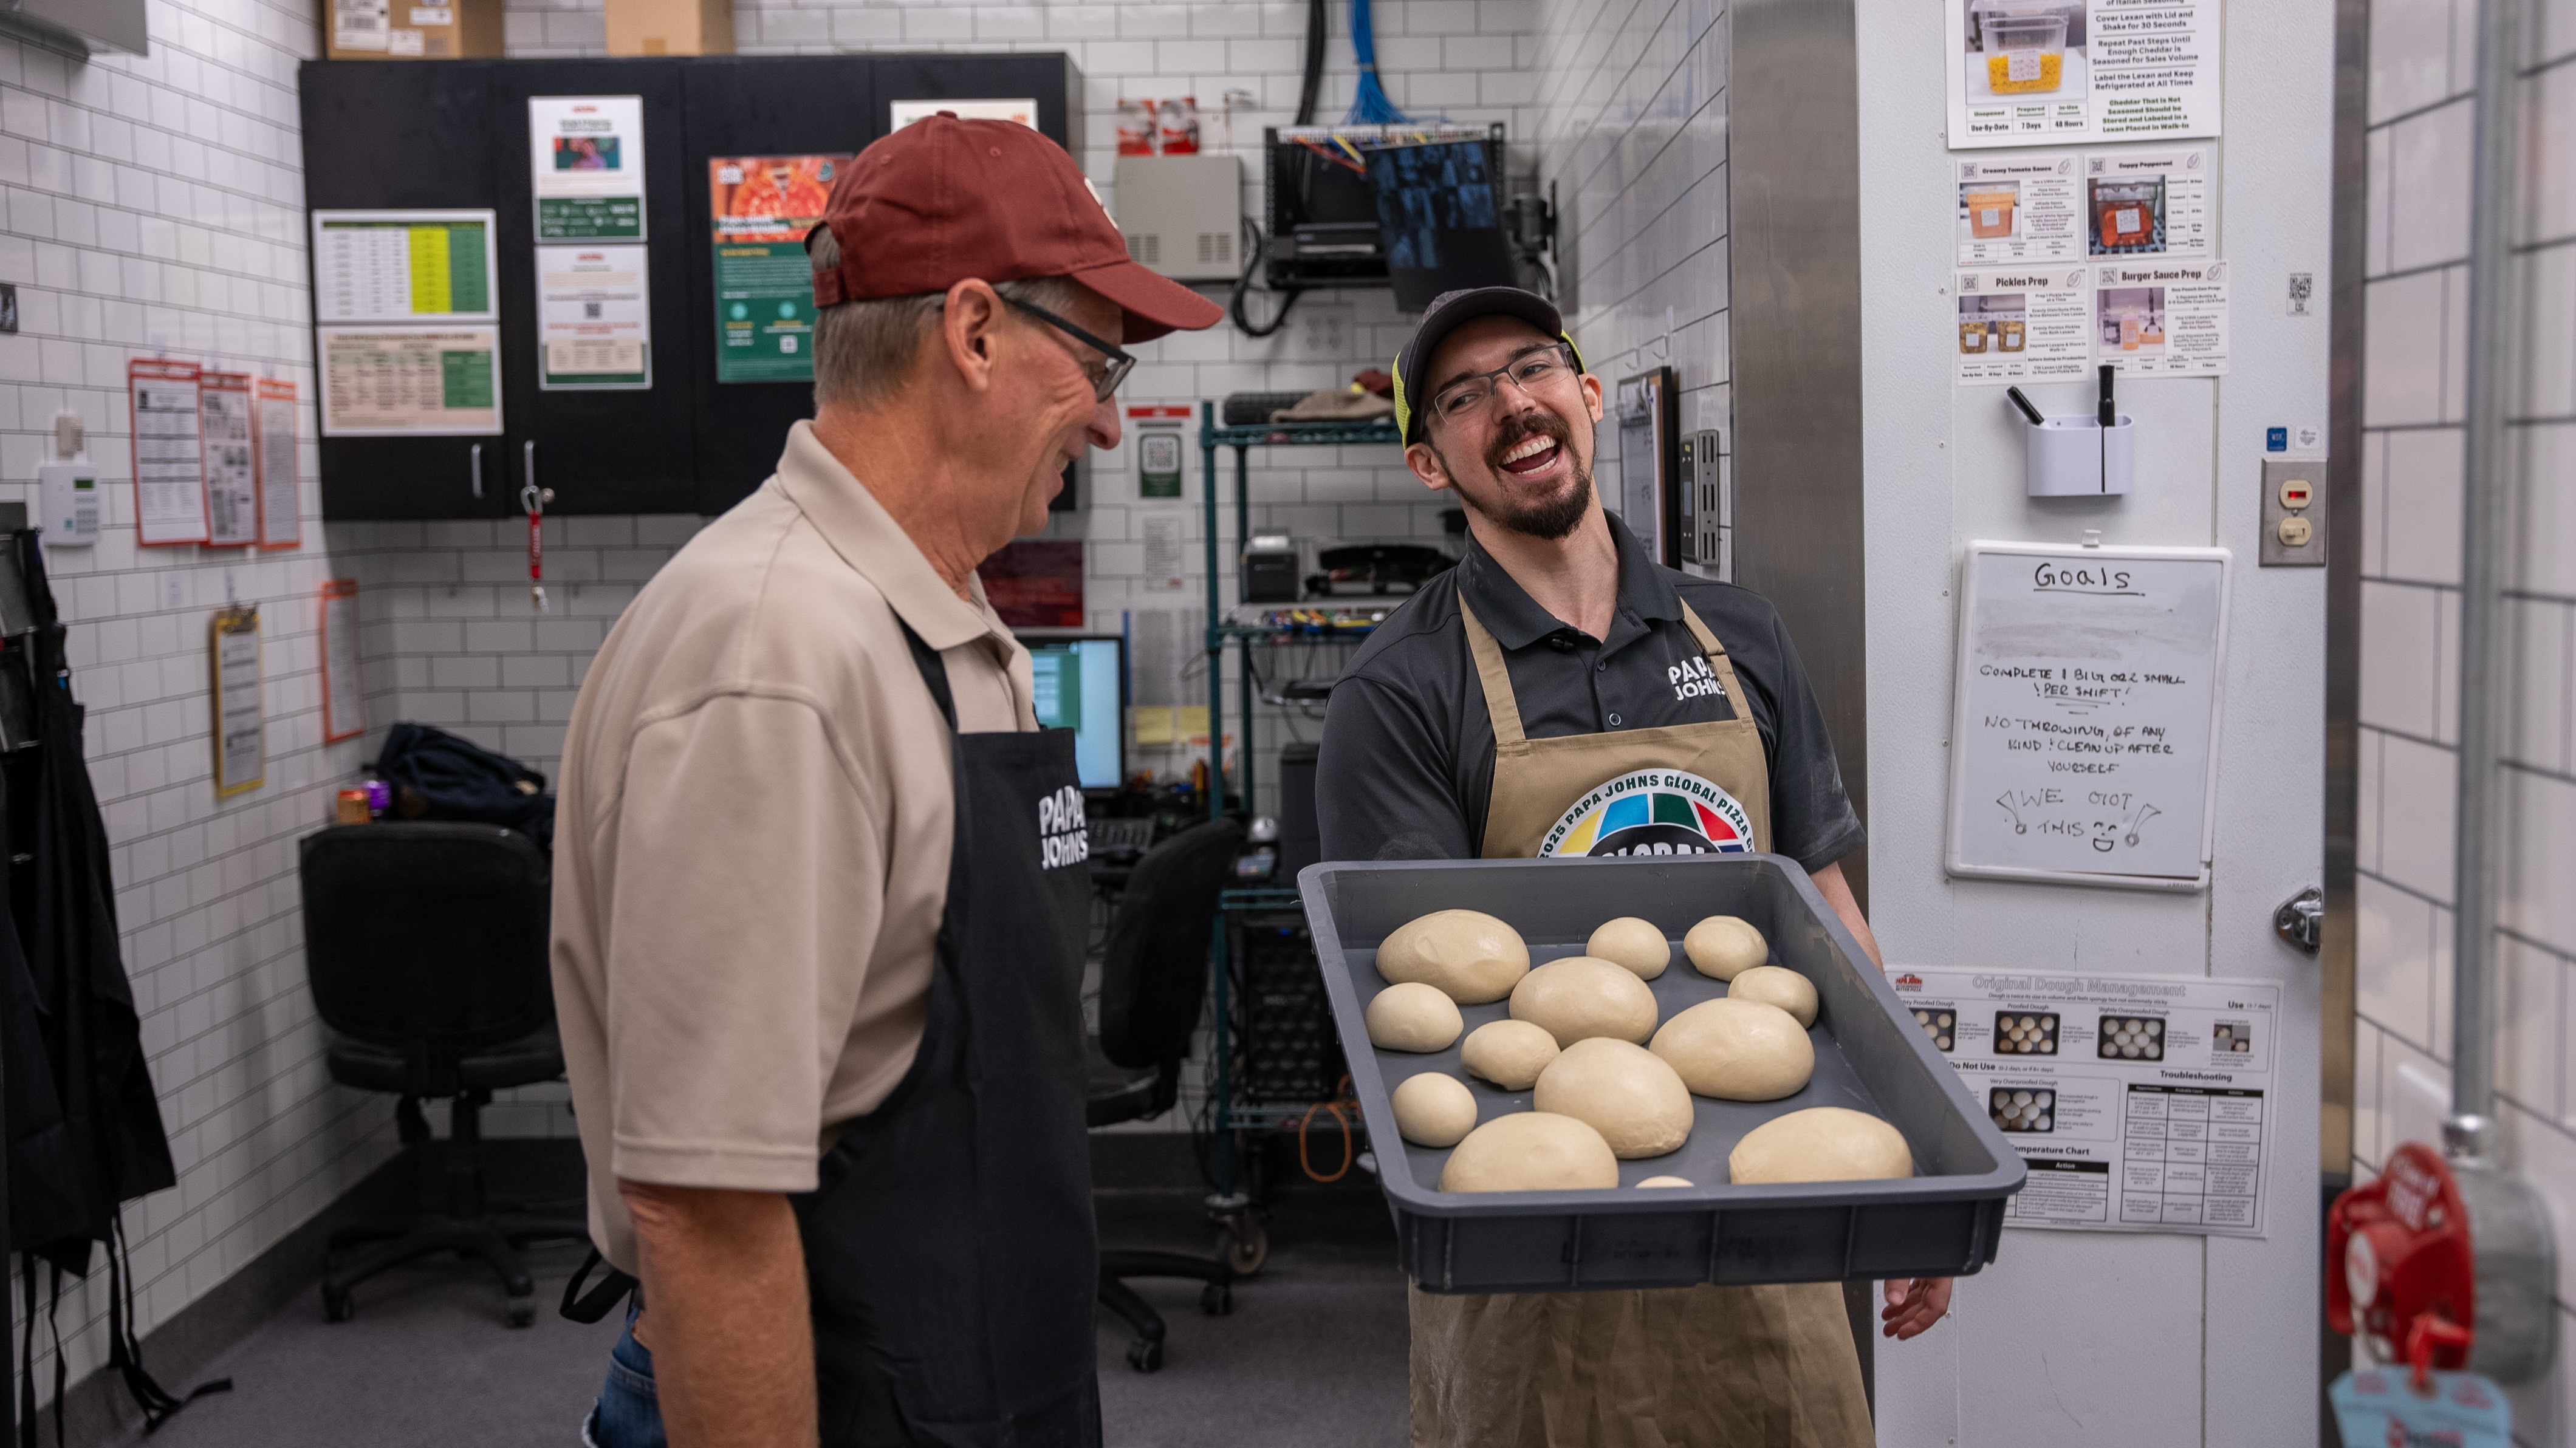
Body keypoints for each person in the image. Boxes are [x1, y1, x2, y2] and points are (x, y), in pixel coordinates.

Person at [549, 113, 1221, 1448]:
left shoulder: (935, 618)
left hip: (961, 1360)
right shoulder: (777, 658)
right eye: (1096, 358)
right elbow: (702, 1201)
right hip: (820, 1384)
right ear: (972, 332)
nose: (1108, 416)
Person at [1315, 285, 1949, 1447]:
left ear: (1588, 394)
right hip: (1535, 1266)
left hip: (1766, 1223)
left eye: (1534, 367)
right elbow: (1416, 997)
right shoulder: (1400, 691)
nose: (1512, 404)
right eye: (1464, 397)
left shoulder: (1741, 635)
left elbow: (1830, 909)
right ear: (1428, 462)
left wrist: (1912, 1171)